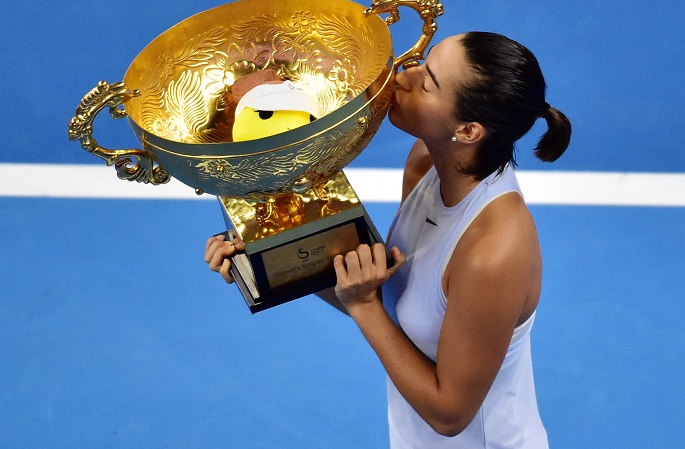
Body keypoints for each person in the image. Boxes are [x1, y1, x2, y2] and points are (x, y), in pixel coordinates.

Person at [204, 31, 571, 449]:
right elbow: (396, 307)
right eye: (423, 62)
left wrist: (363, 305)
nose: (403, 74)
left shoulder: (494, 249)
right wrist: (266, 254)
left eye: (428, 82)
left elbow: (449, 414)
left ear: (468, 130)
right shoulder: (425, 163)